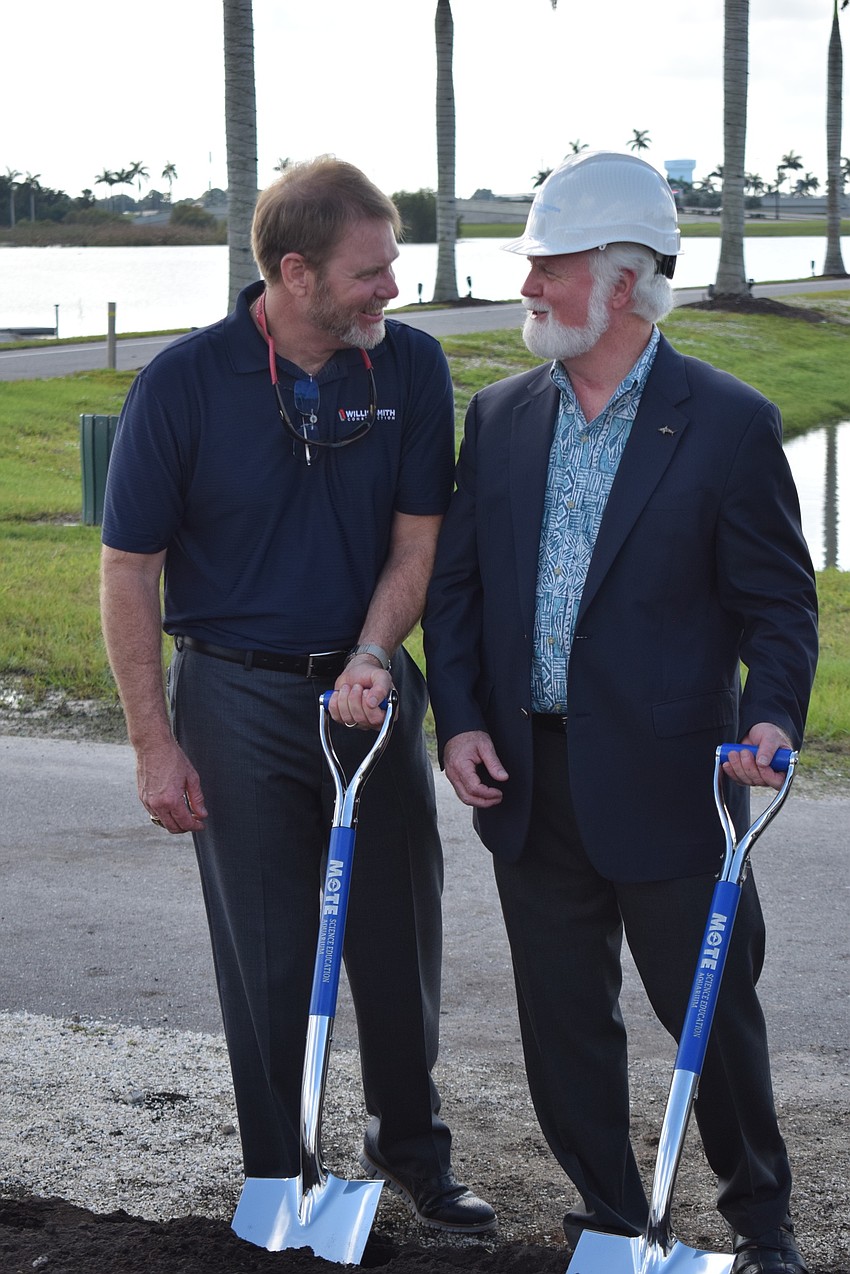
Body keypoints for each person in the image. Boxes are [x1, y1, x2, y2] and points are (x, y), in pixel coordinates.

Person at [423, 151, 817, 1273]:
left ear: (625, 280)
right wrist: (460, 719)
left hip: (674, 781)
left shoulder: (728, 423)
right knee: (562, 1025)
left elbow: (778, 605)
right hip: (527, 779)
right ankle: (610, 1216)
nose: (528, 287)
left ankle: (761, 1225)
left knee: (713, 1016)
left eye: (549, 267)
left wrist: (773, 718)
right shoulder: (500, 416)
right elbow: (458, 592)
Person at [100, 156, 495, 1235]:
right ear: (294, 272)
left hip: (369, 690)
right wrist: (152, 744)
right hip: (234, 697)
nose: (392, 288)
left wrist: (374, 652)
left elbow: (418, 539)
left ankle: (409, 1145)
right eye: (370, 272)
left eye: (393, 265)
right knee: (269, 956)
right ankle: (285, 1174)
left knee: (397, 933)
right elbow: (129, 569)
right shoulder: (182, 384)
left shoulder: (409, 365)